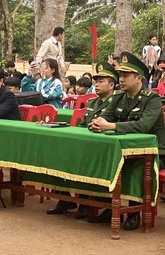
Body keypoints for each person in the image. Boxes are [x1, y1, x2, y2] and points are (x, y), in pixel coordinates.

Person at [89, 52, 165, 230]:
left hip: (153, 153)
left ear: (138, 78)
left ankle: (134, 211)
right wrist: (96, 124)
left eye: (126, 76)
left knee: (134, 166)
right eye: (120, 76)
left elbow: (143, 126)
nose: (121, 79)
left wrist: (111, 127)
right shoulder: (118, 97)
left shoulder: (152, 99)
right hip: (124, 150)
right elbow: (103, 117)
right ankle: (108, 208)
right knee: (102, 159)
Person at [47, 61, 118, 218]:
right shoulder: (92, 102)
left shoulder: (117, 102)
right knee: (60, 156)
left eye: (101, 82)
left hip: (103, 147)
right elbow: (84, 125)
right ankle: (65, 198)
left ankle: (87, 203)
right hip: (88, 144)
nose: (97, 85)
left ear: (112, 85)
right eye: (96, 82)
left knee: (85, 161)